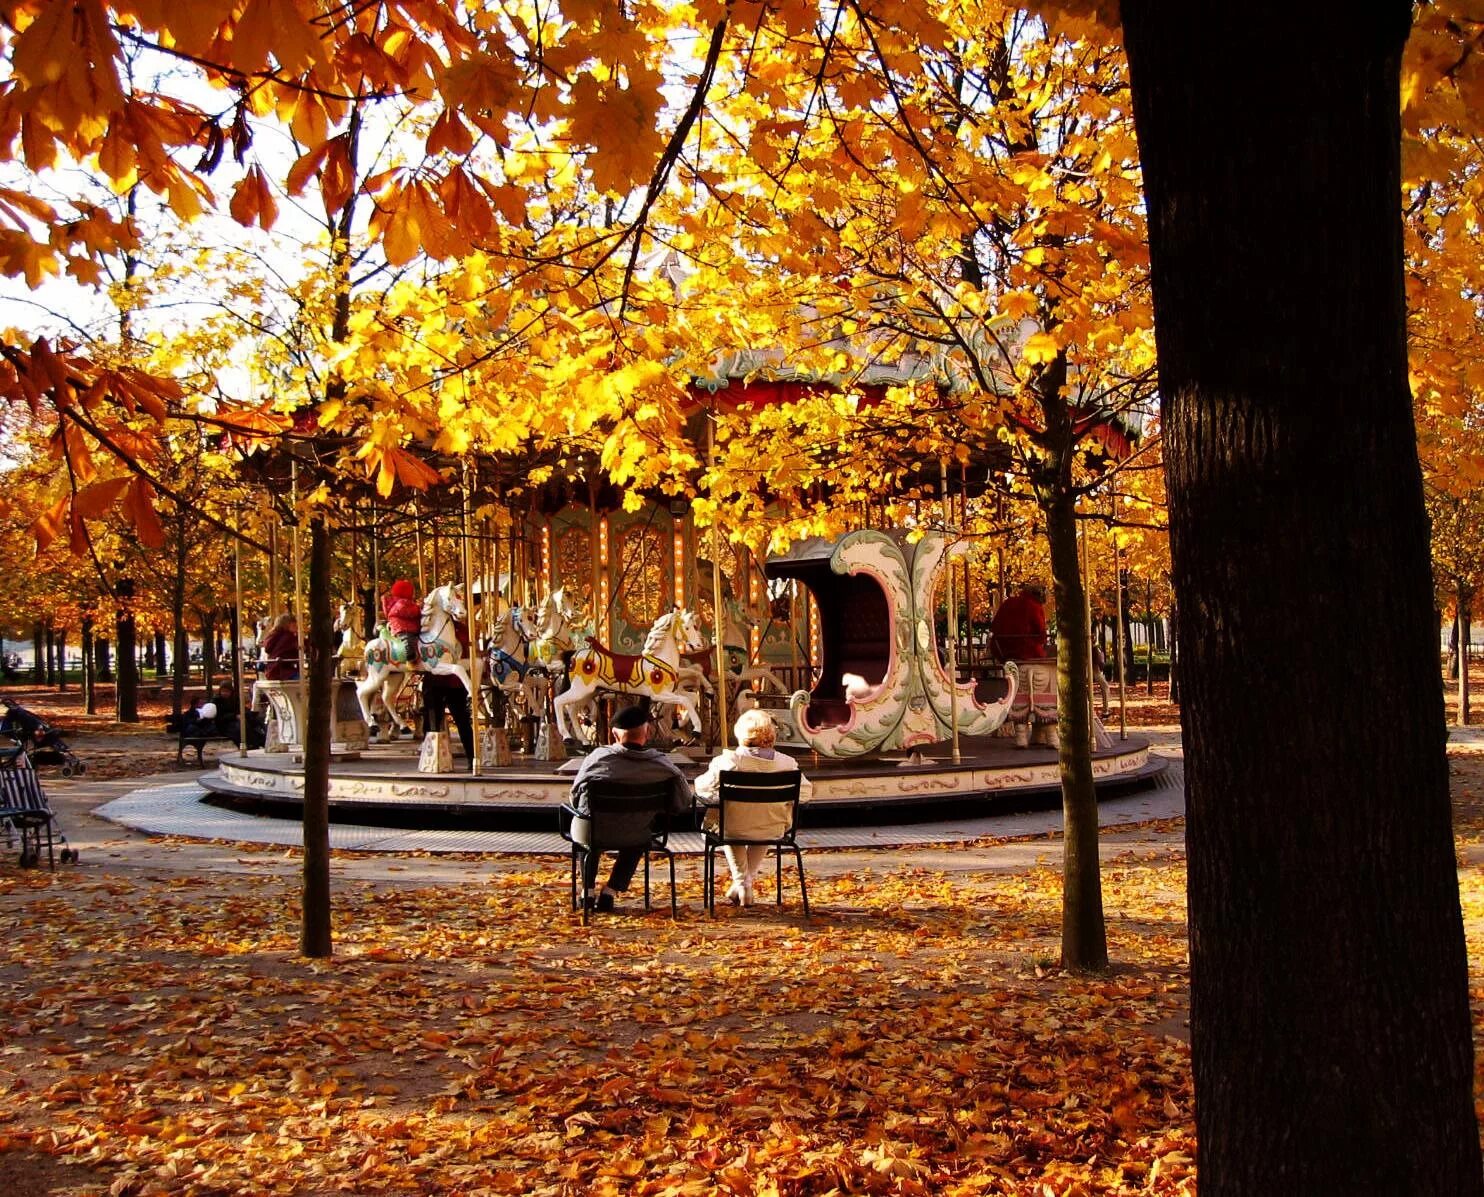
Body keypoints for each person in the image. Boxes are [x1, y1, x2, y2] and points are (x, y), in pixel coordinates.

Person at [569, 703, 692, 914]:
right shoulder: (663, 765)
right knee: (637, 833)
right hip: (637, 833)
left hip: (593, 831)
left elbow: (575, 797)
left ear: (615, 735)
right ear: (646, 733)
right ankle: (611, 890)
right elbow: (683, 801)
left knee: (588, 830)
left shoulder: (597, 759)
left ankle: (587, 891)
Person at [693, 708, 812, 906]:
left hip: (731, 827)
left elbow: (703, 789)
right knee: (762, 823)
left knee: (730, 822)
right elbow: (806, 794)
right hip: (772, 827)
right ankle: (744, 883)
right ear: (772, 734)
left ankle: (742, 884)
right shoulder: (788, 764)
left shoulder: (727, 762)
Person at [989, 583, 1050, 662]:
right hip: (1025, 651)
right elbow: (1041, 634)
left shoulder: (1008, 602)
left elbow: (995, 626)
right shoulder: (1035, 607)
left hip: (1001, 650)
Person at [382, 579, 422, 669]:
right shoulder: (402, 603)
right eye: (412, 592)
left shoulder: (406, 602)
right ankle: (410, 659)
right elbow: (411, 612)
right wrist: (419, 608)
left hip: (409, 626)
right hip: (402, 627)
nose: (414, 594)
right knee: (408, 641)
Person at [260, 614, 300, 680]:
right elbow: (293, 653)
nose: (297, 627)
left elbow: (268, 649)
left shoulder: (274, 636)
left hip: (271, 670)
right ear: (286, 625)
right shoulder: (289, 637)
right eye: (294, 625)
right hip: (282, 671)